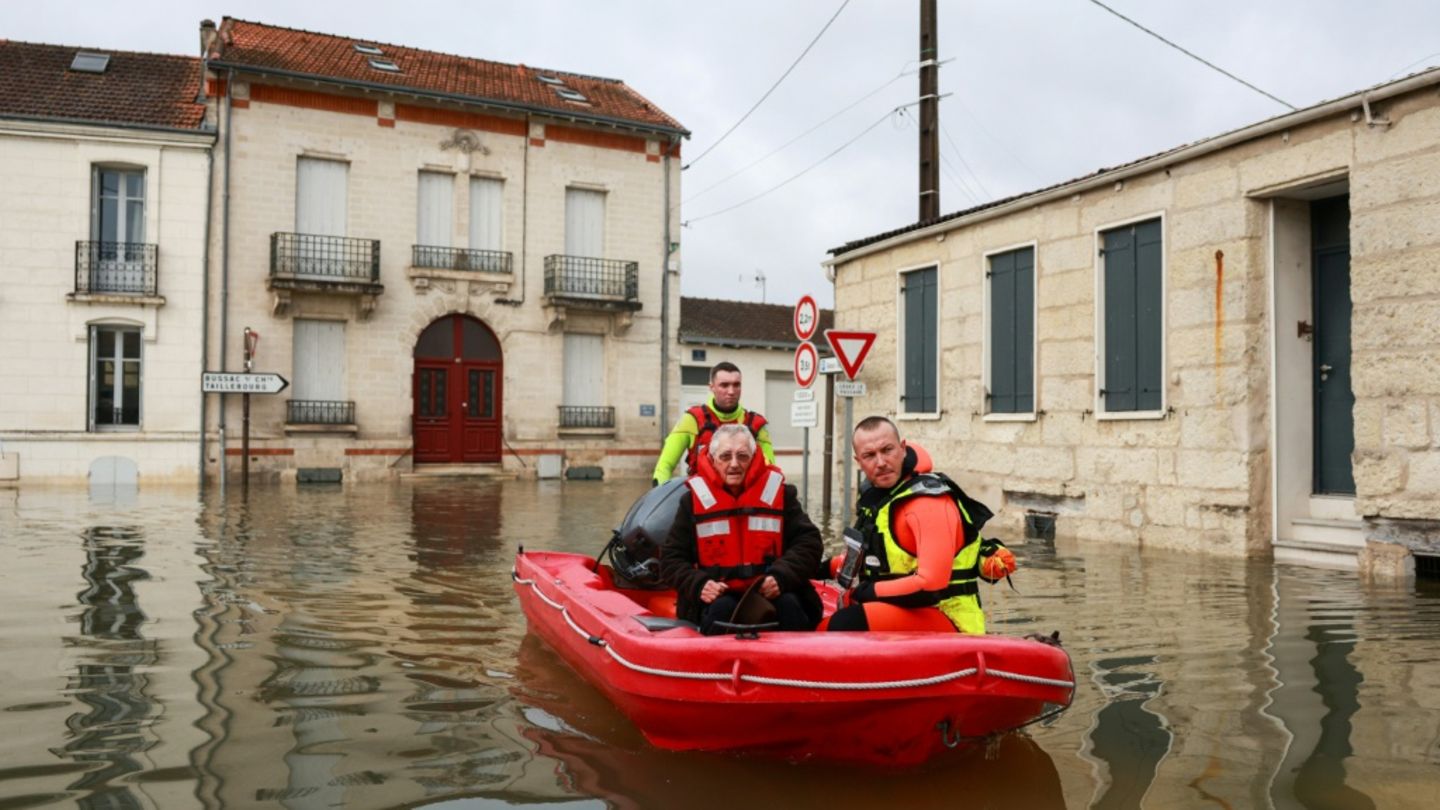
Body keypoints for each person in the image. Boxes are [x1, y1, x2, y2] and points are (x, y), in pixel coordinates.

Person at [825, 416, 1017, 633]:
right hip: (904, 606)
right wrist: (816, 567)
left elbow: (930, 584)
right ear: (858, 461)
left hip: (948, 616)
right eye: (869, 455)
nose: (880, 462)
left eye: (887, 450)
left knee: (846, 623)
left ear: (903, 448)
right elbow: (870, 558)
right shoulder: (880, 499)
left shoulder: (928, 503)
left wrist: (867, 592)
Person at [660, 424, 823, 635]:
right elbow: (670, 559)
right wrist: (700, 584)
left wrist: (781, 577)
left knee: (790, 606)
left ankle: (799, 663)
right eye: (726, 456)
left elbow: (809, 543)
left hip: (772, 590)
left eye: (742, 456)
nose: (734, 464)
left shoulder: (781, 494)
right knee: (722, 610)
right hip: (718, 597)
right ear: (712, 459)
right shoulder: (691, 501)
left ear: (754, 457)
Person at [652, 362, 775, 485]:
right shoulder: (692, 419)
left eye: (736, 385)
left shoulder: (756, 424)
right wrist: (658, 494)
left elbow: (770, 469)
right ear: (712, 387)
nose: (731, 391)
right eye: (724, 385)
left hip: (744, 499)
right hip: (702, 498)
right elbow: (665, 466)